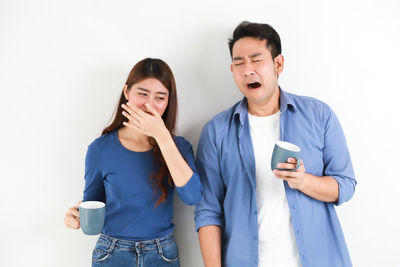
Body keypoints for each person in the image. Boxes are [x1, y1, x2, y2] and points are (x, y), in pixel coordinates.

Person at [194, 21, 356, 267]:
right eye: (239, 63)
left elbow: (345, 185)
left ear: (278, 64)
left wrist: (303, 181)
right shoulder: (216, 131)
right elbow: (208, 211)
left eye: (256, 60)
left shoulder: (318, 115)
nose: (247, 69)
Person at [64, 58, 202, 267]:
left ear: (168, 102)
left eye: (160, 97)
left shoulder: (178, 147)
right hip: (111, 254)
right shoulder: (100, 149)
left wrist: (163, 137)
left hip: (162, 255)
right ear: (127, 93)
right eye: (142, 93)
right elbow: (93, 204)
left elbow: (192, 196)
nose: (149, 105)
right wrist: (75, 215)